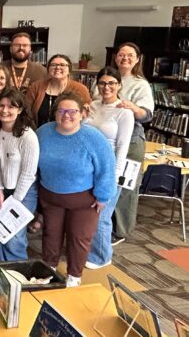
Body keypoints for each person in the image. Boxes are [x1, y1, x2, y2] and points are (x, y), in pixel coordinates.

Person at [37, 92, 116, 287]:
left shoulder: (93, 138)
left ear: (82, 113)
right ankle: (48, 270)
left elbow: (107, 168)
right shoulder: (43, 133)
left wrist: (103, 196)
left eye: (72, 111)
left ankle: (74, 276)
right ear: (55, 113)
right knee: (51, 235)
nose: (66, 115)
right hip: (51, 197)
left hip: (84, 201)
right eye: (61, 111)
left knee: (79, 238)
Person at [85, 67, 134, 269]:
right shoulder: (92, 106)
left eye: (111, 83)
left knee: (102, 215)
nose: (107, 87)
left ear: (119, 85)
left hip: (109, 170)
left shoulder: (124, 112)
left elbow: (122, 147)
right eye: (103, 83)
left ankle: (102, 257)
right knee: (90, 213)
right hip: (88, 169)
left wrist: (114, 177)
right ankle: (91, 249)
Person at [108, 42, 155, 244]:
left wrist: (132, 107)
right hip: (108, 140)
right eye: (121, 55)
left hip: (132, 141)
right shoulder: (107, 78)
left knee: (125, 186)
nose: (125, 58)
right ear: (116, 57)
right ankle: (105, 225)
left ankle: (120, 231)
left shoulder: (140, 84)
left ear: (137, 59)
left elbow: (147, 115)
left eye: (130, 55)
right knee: (107, 183)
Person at [0, 88, 39, 261]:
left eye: (11, 107)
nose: (5, 110)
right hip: (2, 190)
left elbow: (28, 174)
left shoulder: (27, 136)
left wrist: (14, 201)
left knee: (13, 237)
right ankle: (0, 271)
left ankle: (17, 276)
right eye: (1, 105)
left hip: (24, 192)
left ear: (19, 110)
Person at [25, 54, 92, 127]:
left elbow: (87, 116)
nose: (57, 67)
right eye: (53, 65)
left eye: (62, 65)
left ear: (69, 69)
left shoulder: (80, 89)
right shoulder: (36, 86)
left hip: (69, 133)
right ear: (48, 69)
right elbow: (26, 112)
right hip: (40, 133)